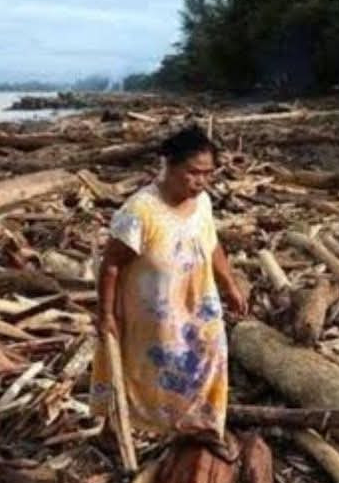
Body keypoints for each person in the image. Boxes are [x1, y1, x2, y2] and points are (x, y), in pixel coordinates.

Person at [90, 125, 247, 459]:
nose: (201, 181)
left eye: (207, 174)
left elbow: (212, 243)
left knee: (210, 357)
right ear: (169, 165)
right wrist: (105, 314)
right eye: (193, 173)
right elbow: (112, 264)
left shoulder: (201, 202)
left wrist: (229, 283)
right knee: (143, 367)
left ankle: (203, 427)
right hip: (151, 308)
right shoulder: (140, 211)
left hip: (197, 301)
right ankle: (115, 429)